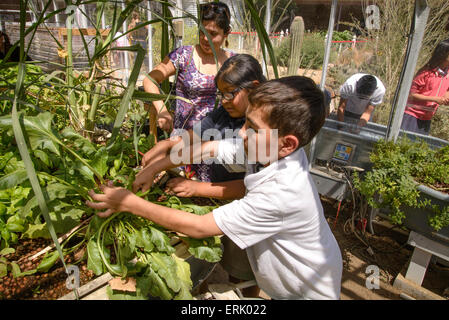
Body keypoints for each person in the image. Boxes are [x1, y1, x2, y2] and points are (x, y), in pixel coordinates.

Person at [86, 76, 343, 300]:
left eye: (252, 128)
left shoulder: (283, 192)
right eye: (246, 122)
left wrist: (130, 203)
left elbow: (200, 227)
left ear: (288, 143)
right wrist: (156, 167)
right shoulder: (268, 149)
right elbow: (209, 149)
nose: (242, 133)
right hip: (289, 281)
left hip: (307, 292)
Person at [142, 53, 266, 186]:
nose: (224, 100)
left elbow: (249, 186)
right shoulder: (224, 113)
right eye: (221, 94)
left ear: (253, 87)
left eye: (229, 93)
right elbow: (194, 136)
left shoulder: (266, 127)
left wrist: (197, 188)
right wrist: (165, 145)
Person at [142, 1, 233, 134]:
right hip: (183, 139)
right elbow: (150, 79)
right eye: (202, 32)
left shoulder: (233, 62)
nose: (205, 38)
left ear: (226, 33)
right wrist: (161, 109)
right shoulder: (184, 55)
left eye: (212, 34)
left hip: (220, 140)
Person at [400, 39, 449, 135]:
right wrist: (434, 99)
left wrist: (445, 98)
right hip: (411, 116)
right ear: (443, 54)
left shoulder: (447, 73)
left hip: (427, 119)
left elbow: (447, 89)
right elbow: (410, 95)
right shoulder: (425, 73)